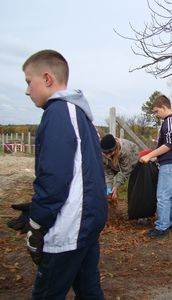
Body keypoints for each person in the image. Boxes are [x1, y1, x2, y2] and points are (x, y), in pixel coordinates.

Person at [23, 49, 107, 298]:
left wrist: (37, 222)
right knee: (89, 290)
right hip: (88, 222)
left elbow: (54, 178)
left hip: (69, 226)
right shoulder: (81, 114)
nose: (27, 91)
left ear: (47, 79)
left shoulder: (59, 113)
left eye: (29, 82)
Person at [140, 95, 172, 238]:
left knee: (163, 196)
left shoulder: (170, 120)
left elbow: (170, 143)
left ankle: (161, 228)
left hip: (169, 164)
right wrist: (156, 156)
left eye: (156, 111)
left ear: (164, 107)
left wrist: (149, 155)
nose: (156, 115)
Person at [100, 134, 139, 201]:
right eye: (106, 153)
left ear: (115, 148)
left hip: (132, 159)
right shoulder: (103, 153)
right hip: (116, 161)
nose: (108, 155)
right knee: (105, 183)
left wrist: (116, 186)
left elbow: (125, 172)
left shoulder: (126, 150)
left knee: (134, 183)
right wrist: (109, 188)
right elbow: (108, 172)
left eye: (110, 152)